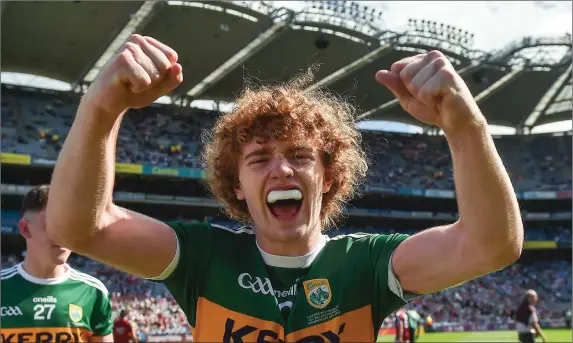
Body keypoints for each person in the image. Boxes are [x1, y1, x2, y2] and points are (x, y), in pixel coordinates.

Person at [46, 34, 523, 342]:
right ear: (237, 184)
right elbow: (77, 227)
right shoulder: (204, 257)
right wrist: (102, 110)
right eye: (259, 159)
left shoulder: (368, 264)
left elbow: (492, 246)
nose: (282, 171)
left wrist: (467, 128)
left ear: (329, 175)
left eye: (299, 156)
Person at [1, 185, 113, 343]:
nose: (63, 236)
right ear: (25, 229)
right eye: (54, 226)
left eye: (70, 227)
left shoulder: (93, 293)